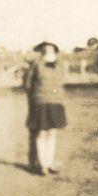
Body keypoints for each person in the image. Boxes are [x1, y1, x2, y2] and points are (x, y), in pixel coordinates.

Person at [25, 42, 67, 176]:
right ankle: (43, 165)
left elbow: (62, 81)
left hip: (55, 102)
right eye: (45, 49)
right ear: (42, 51)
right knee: (41, 133)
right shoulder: (36, 64)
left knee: (52, 133)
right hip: (40, 102)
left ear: (55, 50)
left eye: (51, 48)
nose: (48, 50)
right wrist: (35, 97)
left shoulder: (60, 64)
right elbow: (28, 83)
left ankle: (49, 163)